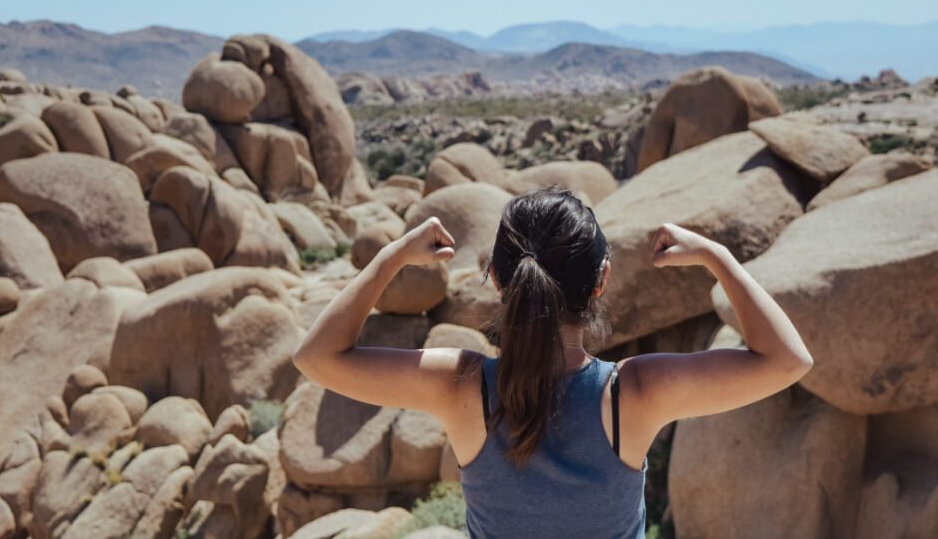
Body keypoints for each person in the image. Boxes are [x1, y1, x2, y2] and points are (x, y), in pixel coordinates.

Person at [294, 188, 813, 539]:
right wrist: (716, 256)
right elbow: (787, 360)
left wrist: (393, 256)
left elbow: (318, 358)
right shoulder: (634, 392)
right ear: (601, 280)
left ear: (498, 280)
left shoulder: (461, 386)